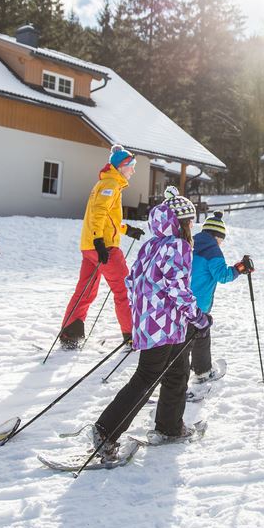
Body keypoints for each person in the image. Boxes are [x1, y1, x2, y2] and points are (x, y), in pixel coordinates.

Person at [91, 187, 210, 460]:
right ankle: (105, 431)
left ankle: (170, 427)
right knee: (146, 376)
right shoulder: (178, 246)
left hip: (155, 323)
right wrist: (198, 317)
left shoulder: (151, 245)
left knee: (178, 372)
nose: (192, 226)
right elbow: (177, 288)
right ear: (180, 223)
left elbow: (132, 280)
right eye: (190, 221)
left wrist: (144, 314)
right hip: (164, 325)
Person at [58, 144, 144, 349]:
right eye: (131, 166)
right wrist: (99, 242)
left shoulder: (106, 183)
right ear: (121, 166)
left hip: (90, 247)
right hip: (104, 248)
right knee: (124, 290)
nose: (133, 170)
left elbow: (107, 219)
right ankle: (132, 335)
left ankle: (70, 332)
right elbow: (99, 212)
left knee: (85, 290)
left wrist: (127, 229)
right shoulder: (111, 184)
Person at [188, 211, 253, 381]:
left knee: (188, 336)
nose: (221, 244)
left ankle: (189, 368)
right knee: (200, 334)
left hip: (181, 300)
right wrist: (240, 268)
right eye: (221, 240)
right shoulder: (212, 250)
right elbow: (222, 275)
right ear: (217, 236)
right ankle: (202, 372)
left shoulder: (190, 242)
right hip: (198, 304)